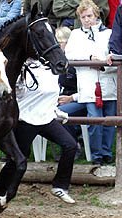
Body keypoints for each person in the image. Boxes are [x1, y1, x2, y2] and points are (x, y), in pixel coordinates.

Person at [12, 59, 77, 204]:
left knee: (70, 145)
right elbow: (18, 94)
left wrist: (54, 110)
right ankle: (0, 194)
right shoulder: (23, 68)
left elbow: (51, 94)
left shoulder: (51, 69)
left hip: (46, 118)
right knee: (18, 160)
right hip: (26, 118)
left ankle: (60, 186)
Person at [65, 0, 117, 165]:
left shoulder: (109, 33)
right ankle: (97, 157)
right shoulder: (75, 35)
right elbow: (69, 54)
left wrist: (103, 64)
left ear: (96, 15)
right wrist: (89, 59)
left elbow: (114, 54)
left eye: (89, 16)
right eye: (83, 17)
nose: (86, 19)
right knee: (94, 121)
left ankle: (107, 153)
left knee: (109, 121)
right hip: (88, 85)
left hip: (108, 81)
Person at [56, 26, 86, 160]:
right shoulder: (57, 61)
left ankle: (74, 145)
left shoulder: (78, 59)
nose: (56, 46)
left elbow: (87, 90)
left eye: (59, 43)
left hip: (82, 99)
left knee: (59, 112)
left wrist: (70, 98)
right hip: (63, 98)